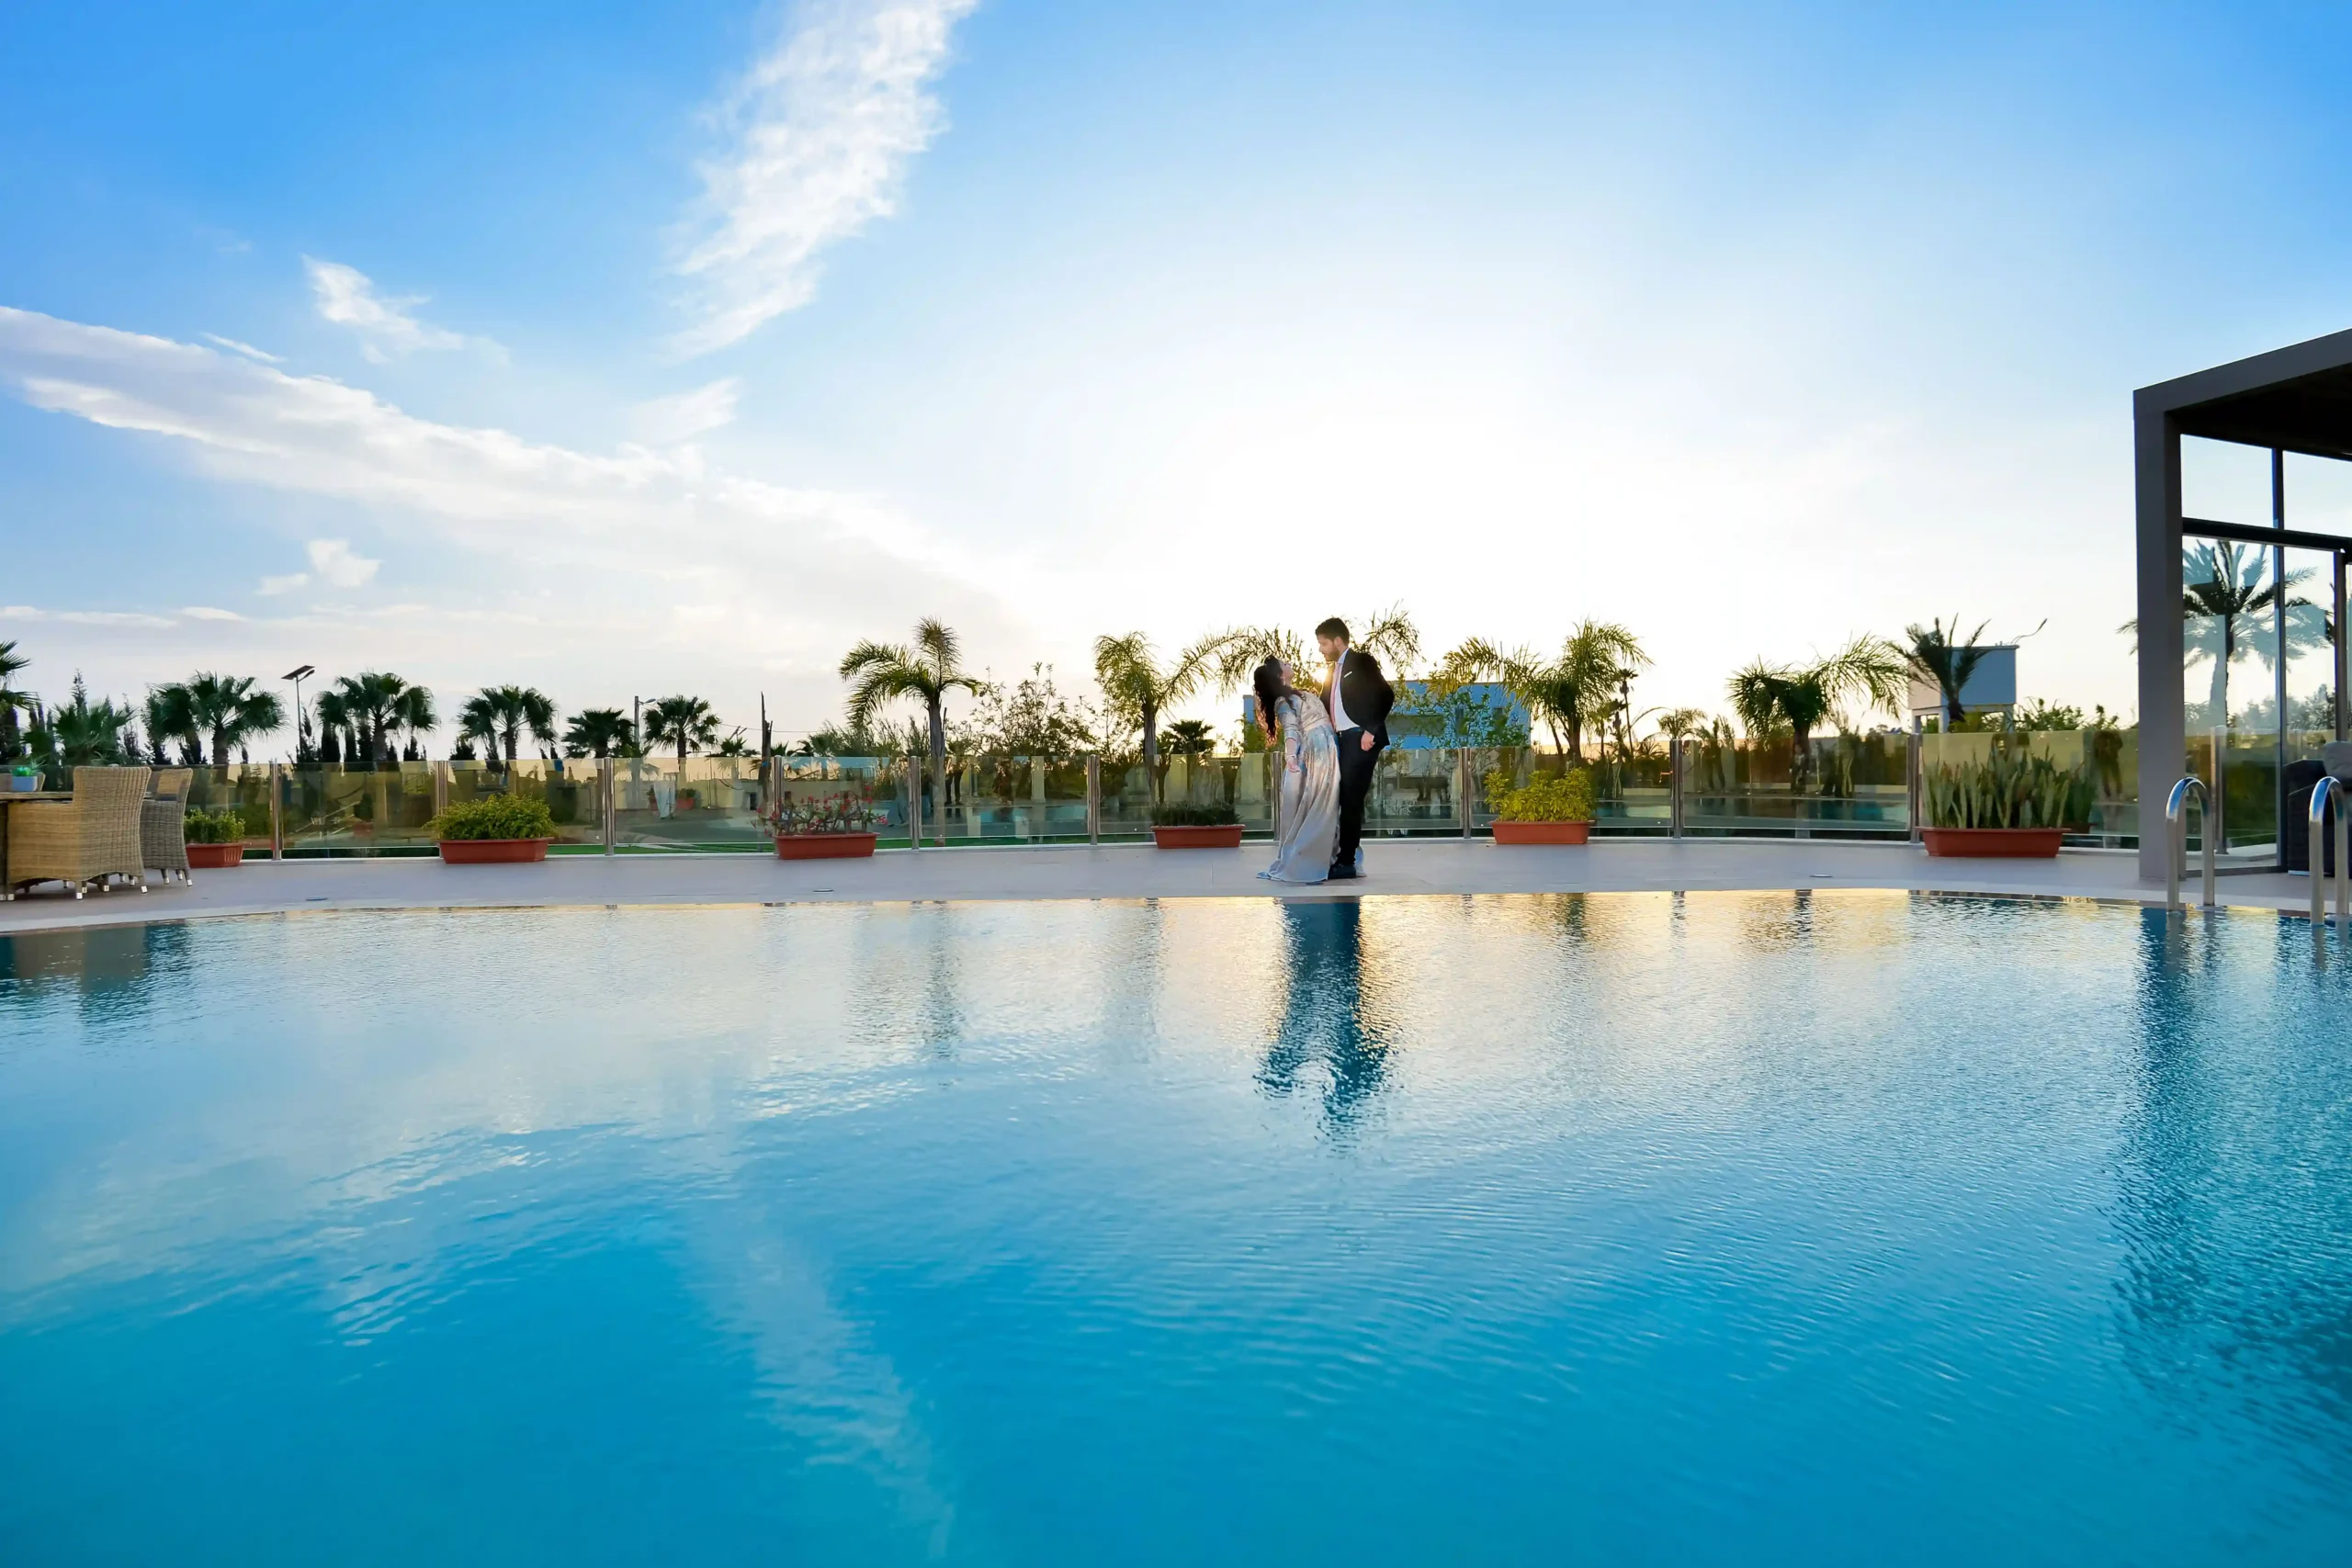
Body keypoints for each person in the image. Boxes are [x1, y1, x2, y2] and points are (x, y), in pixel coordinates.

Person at [1316, 616, 1392, 881]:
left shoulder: (1361, 662)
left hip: (1361, 737)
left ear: (1338, 641)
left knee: (1350, 798)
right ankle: (1345, 855)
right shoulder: (1331, 671)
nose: (1321, 649)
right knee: (1340, 797)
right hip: (1340, 740)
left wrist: (1371, 730)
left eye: (1324, 644)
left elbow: (1385, 694)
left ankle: (1347, 861)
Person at [1253, 657, 1339, 884]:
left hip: (1327, 744)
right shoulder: (1283, 701)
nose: (1289, 664)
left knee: (1327, 800)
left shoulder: (1297, 694)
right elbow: (1290, 730)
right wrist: (1291, 757)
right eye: (1285, 664)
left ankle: (1331, 856)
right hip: (1317, 749)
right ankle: (1309, 857)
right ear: (1280, 675)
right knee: (1320, 801)